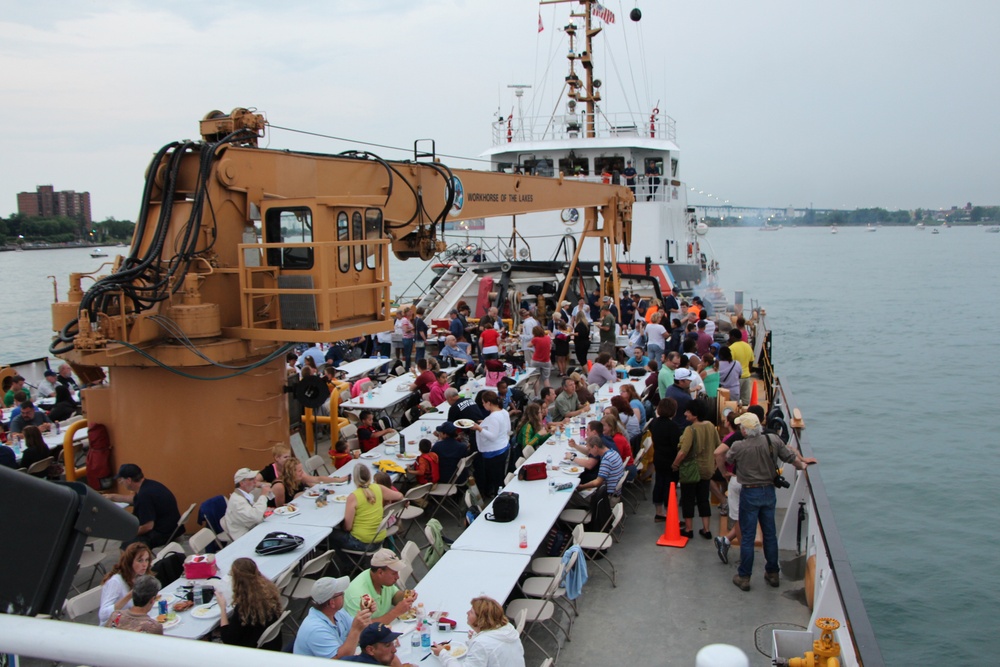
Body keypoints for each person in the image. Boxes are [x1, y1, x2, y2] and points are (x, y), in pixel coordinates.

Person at [726, 412, 817, 591]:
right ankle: (773, 573)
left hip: (749, 493)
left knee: (748, 537)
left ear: (744, 431)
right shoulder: (772, 441)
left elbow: (728, 458)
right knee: (769, 534)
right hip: (768, 492)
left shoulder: (738, 446)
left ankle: (744, 576)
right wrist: (804, 465)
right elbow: (791, 459)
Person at [671, 398, 720, 539]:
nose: (685, 413)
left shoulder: (690, 430)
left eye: (688, 411)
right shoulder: (711, 426)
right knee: (704, 499)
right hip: (707, 469)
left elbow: (683, 452)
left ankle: (688, 528)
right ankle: (706, 529)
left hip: (692, 470)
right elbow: (718, 446)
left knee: (688, 499)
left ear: (695, 414)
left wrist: (675, 464)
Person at [431, 596, 526, 666]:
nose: (467, 613)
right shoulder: (507, 629)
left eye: (471, 612)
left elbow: (485, 646)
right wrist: (475, 638)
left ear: (481, 620)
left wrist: (442, 653)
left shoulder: (482, 643)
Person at [293, 576, 372, 658]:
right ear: (332, 603)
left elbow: (366, 633)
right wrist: (355, 630)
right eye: (341, 593)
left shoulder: (338, 612)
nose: (344, 595)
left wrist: (366, 611)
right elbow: (341, 661)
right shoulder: (316, 630)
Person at [215, 557, 283, 649]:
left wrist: (222, 609)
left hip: (251, 649)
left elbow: (228, 640)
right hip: (273, 643)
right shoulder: (268, 590)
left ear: (237, 580)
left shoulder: (244, 607)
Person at [106, 464, 180, 549]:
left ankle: (127, 562)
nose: (120, 483)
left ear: (129, 480)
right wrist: (112, 496)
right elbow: (134, 499)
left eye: (121, 480)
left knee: (126, 546)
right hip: (173, 528)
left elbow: (147, 526)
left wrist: (127, 534)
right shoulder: (149, 485)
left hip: (164, 533)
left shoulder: (144, 495)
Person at [333, 464, 404, 551]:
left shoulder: (353, 497)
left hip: (364, 543)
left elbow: (348, 528)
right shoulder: (379, 488)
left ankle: (350, 563)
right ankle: (355, 560)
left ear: (355, 479)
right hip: (380, 538)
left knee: (331, 536)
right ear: (370, 476)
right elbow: (400, 496)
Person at [343, 548, 417, 623]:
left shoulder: (382, 580)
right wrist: (395, 612)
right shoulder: (357, 595)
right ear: (380, 573)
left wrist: (406, 596)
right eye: (394, 573)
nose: (397, 577)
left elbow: (394, 596)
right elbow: (363, 627)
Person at [98, 543, 153, 625]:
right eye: (140, 560)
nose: (145, 564)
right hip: (112, 627)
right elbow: (102, 615)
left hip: (129, 622)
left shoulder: (138, 576)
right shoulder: (115, 582)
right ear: (130, 562)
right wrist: (129, 596)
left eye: (147, 560)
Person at [470, 390, 510, 498]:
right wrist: (484, 423)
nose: (483, 405)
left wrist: (479, 428)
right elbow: (507, 429)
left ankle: (498, 498)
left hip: (493, 452)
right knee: (500, 475)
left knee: (495, 478)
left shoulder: (493, 417)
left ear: (489, 403)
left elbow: (492, 436)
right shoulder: (504, 412)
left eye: (483, 402)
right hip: (503, 447)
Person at [648, 398, 681, 521]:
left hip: (658, 457)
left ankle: (659, 511)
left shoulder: (654, 423)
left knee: (659, 484)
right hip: (670, 460)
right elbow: (676, 446)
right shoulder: (674, 427)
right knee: (670, 486)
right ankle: (670, 512)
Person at [224, 467, 271, 541]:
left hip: (252, 528)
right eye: (251, 479)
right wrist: (263, 495)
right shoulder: (237, 501)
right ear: (242, 483)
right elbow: (255, 517)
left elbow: (254, 509)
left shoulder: (245, 495)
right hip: (244, 537)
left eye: (255, 478)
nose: (255, 481)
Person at [343, 623, 407, 664]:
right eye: (387, 645)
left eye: (392, 643)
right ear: (370, 650)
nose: (394, 650)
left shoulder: (345, 661)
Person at [728, 329, 755, 405]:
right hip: (746, 376)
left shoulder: (731, 348)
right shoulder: (748, 346)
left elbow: (729, 364)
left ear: (733, 337)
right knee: (745, 401)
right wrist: (748, 370)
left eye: (729, 336)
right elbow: (751, 361)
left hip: (736, 378)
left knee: (734, 401)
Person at [529, 325, 553, 391]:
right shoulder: (548, 338)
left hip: (536, 360)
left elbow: (529, 345)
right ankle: (548, 394)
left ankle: (536, 396)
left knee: (536, 378)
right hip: (546, 360)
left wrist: (533, 337)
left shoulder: (535, 339)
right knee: (546, 379)